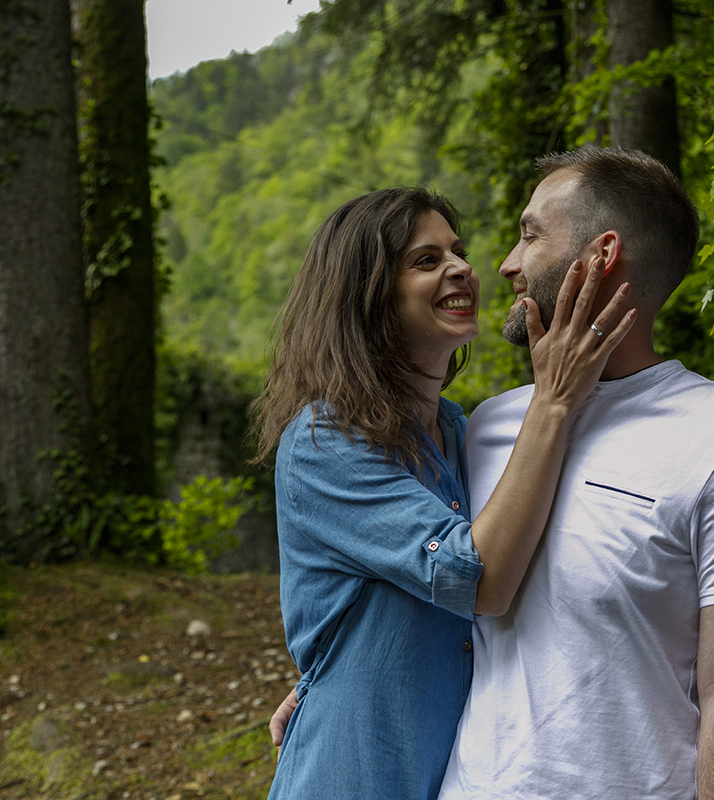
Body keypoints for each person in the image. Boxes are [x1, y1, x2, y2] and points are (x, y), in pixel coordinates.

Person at [271, 147, 714, 799]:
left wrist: (335, 667)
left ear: (602, 255)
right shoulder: (476, 430)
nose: (491, 266)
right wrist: (332, 676)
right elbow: (465, 576)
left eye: (528, 235)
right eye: (427, 260)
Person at [252, 187, 635, 799]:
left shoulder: (461, 431)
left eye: (458, 252)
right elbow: (479, 581)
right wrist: (554, 399)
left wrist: (327, 668)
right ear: (369, 295)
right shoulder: (325, 441)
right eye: (426, 260)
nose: (461, 268)